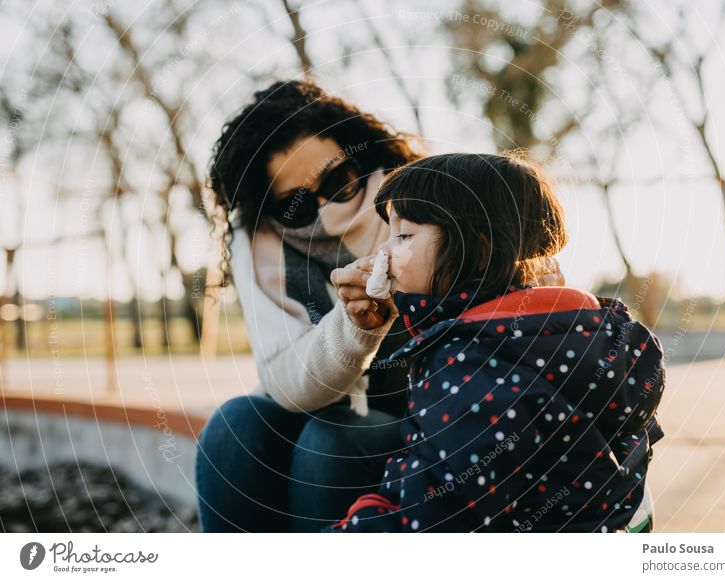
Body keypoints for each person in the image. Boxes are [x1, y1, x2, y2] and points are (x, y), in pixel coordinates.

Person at [195, 80, 566, 532]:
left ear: (361, 152)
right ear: (267, 208)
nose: (325, 207)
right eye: (295, 205)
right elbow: (284, 381)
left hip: (426, 417)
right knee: (235, 426)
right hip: (309, 408)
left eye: (337, 180)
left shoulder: (424, 196)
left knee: (333, 439)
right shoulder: (258, 238)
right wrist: (355, 328)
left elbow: (530, 296)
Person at [322, 152, 666, 532]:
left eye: (403, 235)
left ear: (479, 252)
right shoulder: (583, 334)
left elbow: (440, 515)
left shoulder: (470, 365)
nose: (383, 252)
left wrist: (358, 526)